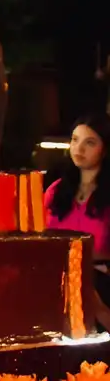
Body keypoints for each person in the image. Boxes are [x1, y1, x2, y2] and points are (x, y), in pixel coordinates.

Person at [45, 113, 110, 329]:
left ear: (105, 149)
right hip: (53, 282)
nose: (78, 149)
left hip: (99, 285)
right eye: (74, 140)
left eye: (89, 142)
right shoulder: (56, 190)